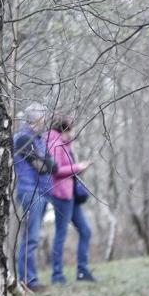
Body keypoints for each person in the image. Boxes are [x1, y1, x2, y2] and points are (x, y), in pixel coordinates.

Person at [45, 116, 95, 284]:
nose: (72, 134)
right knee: (61, 234)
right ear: (64, 130)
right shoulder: (54, 142)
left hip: (71, 193)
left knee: (86, 231)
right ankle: (57, 275)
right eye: (71, 130)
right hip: (61, 194)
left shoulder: (65, 144)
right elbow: (56, 170)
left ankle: (83, 271)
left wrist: (79, 169)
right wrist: (77, 167)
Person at [12, 103, 56, 292]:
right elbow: (41, 165)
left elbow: (51, 166)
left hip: (43, 191)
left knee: (34, 238)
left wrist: (46, 163)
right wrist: (46, 163)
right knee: (30, 238)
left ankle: (30, 278)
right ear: (36, 119)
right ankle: (27, 280)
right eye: (43, 118)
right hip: (30, 191)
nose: (45, 121)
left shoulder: (38, 139)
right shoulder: (23, 139)